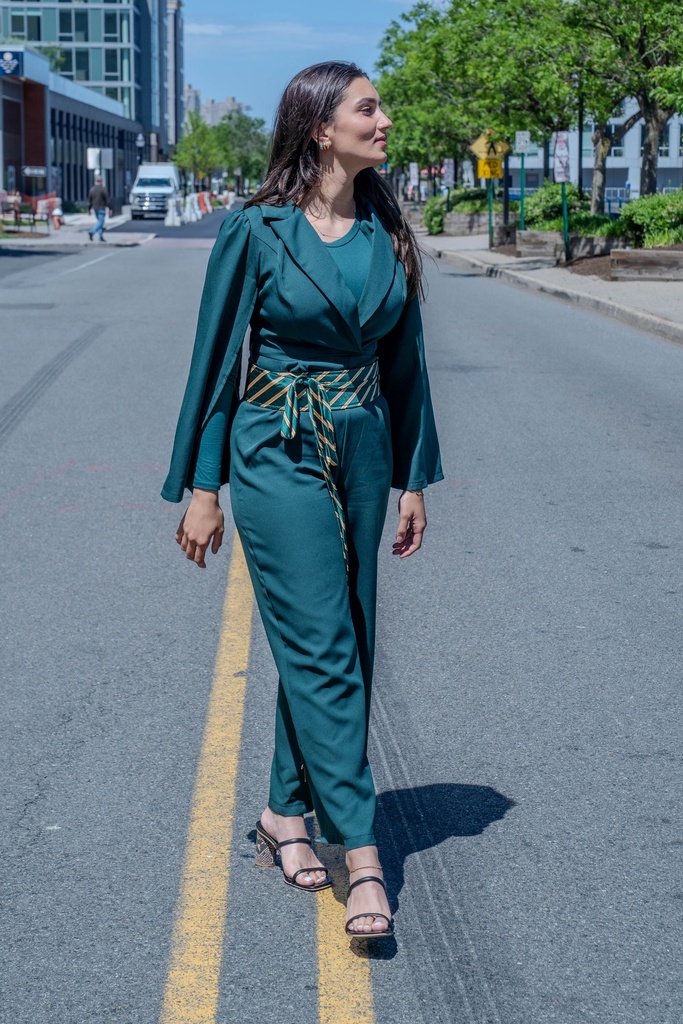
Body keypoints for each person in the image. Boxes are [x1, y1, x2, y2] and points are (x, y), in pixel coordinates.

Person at [162, 61, 443, 938]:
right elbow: (214, 365)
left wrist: (409, 480)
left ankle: (286, 813)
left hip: (361, 443)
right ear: (320, 126)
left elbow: (407, 369)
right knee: (322, 645)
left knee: (345, 634)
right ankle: (362, 854)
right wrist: (204, 487)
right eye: (368, 107)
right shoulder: (256, 230)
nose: (385, 119)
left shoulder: (388, 232)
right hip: (275, 443)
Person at [87, 176, 112, 242]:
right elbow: (107, 200)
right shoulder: (103, 189)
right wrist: (110, 208)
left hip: (95, 208)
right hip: (101, 207)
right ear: (101, 181)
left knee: (99, 222)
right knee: (101, 222)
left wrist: (89, 209)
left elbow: (89, 200)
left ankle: (100, 237)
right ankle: (92, 231)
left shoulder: (92, 189)